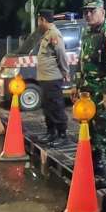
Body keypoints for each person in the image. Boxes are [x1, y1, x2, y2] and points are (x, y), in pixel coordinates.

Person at [74, 0, 106, 188]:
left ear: (102, 12)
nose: (88, 15)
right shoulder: (86, 32)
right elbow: (81, 61)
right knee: (91, 130)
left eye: (92, 11)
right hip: (87, 90)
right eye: (86, 11)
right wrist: (77, 86)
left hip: (103, 91)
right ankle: (97, 165)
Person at [36, 9, 70, 147]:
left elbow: (61, 53)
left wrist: (65, 71)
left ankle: (62, 135)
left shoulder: (54, 34)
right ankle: (51, 132)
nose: (38, 23)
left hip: (52, 78)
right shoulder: (47, 34)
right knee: (47, 107)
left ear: (43, 20)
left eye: (39, 20)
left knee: (56, 107)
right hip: (45, 78)